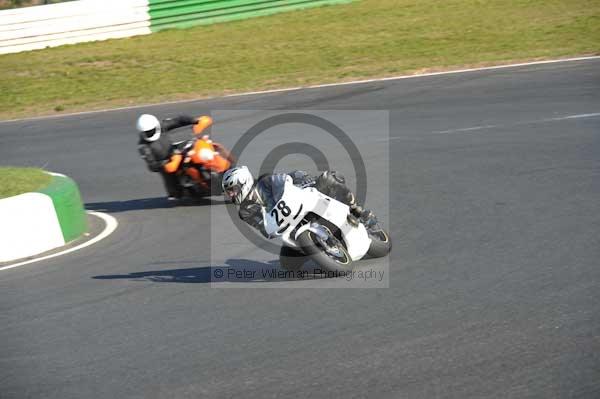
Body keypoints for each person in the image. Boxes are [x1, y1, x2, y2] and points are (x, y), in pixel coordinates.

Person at [221, 166, 376, 238]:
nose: (231, 194)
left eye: (232, 189)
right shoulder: (245, 210)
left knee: (328, 178)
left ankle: (357, 211)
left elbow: (288, 179)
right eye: (229, 192)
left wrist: (303, 180)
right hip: (290, 228)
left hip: (302, 201)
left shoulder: (265, 181)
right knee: (287, 264)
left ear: (243, 181)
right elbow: (263, 228)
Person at [136, 113, 232, 200]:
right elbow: (152, 165)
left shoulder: (161, 126)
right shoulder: (143, 147)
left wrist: (195, 121)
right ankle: (190, 189)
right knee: (176, 193)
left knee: (202, 147)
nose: (150, 133)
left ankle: (226, 166)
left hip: (174, 151)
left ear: (156, 126)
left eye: (151, 131)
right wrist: (165, 165)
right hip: (167, 163)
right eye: (147, 132)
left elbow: (179, 120)